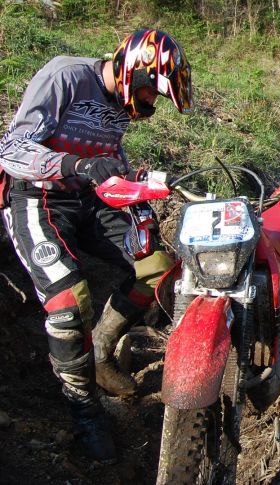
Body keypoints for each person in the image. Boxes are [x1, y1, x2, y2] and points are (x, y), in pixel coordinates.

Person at [0, 29, 192, 462]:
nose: (148, 102)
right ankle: (84, 407)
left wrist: (136, 182)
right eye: (148, 90)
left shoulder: (125, 103)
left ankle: (102, 352)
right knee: (69, 303)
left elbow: (109, 153)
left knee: (159, 269)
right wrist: (76, 164)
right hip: (38, 194)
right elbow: (10, 148)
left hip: (92, 195)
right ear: (131, 69)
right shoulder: (65, 77)